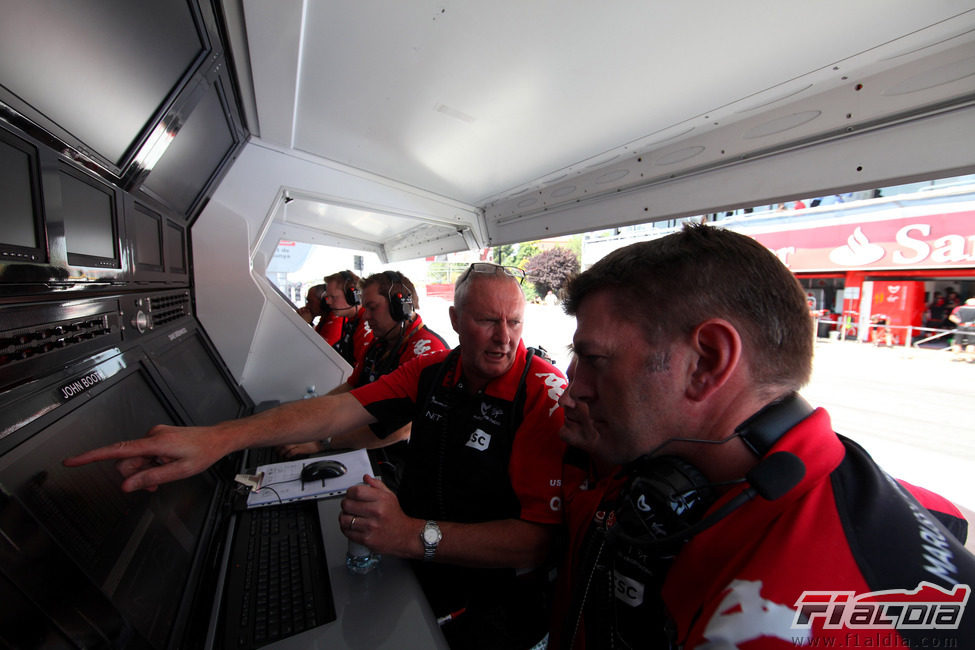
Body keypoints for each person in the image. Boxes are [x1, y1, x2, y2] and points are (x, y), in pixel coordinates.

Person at [64, 262, 568, 650]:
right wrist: (217, 439)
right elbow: (334, 412)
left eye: (514, 322)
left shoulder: (542, 397)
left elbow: (535, 545)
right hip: (420, 562)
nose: (504, 338)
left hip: (488, 602)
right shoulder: (437, 370)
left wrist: (409, 535)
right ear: (456, 320)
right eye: (487, 321)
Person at [551, 224, 974, 649]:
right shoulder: (839, 486)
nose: (575, 389)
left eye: (594, 359)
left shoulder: (772, 624)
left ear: (707, 362)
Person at [281, 271, 450, 470]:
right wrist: (305, 419)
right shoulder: (379, 345)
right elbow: (350, 389)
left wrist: (324, 442)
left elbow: (404, 428)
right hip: (368, 449)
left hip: (401, 463)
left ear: (400, 307)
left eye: (372, 307)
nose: (366, 315)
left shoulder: (428, 351)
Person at [323, 270, 372, 366]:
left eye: (333, 297)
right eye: (327, 297)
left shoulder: (365, 327)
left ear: (353, 297)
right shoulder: (353, 321)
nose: (328, 302)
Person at [949, 297, 975, 362]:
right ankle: (969, 358)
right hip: (972, 327)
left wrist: (960, 322)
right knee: (971, 343)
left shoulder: (958, 308)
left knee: (957, 342)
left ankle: (956, 357)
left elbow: (951, 317)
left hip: (961, 327)